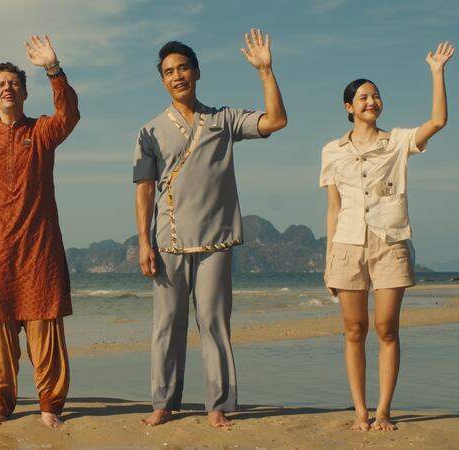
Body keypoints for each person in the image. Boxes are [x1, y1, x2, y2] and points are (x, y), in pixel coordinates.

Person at [133, 30, 287, 428]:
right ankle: (163, 402)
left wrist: (266, 71)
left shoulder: (224, 119)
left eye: (183, 67)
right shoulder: (149, 130)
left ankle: (217, 404)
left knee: (215, 324)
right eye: (169, 71)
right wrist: (144, 242)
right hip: (168, 240)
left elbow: (276, 120)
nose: (177, 75)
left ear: (197, 72)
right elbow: (144, 189)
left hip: (217, 239)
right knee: (166, 325)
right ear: (163, 81)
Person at [320, 42, 454, 432]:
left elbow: (439, 122)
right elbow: (333, 207)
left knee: (386, 329)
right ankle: (360, 411)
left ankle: (383, 412)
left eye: (376, 95)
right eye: (363, 96)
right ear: (348, 107)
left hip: (390, 243)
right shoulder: (331, 150)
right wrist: (330, 260)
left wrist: (437, 71)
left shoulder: (396, 141)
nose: (371, 100)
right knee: (354, 331)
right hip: (346, 245)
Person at [0, 35, 80, 428]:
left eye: (13, 83)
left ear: (25, 92)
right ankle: (1, 404)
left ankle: (50, 406)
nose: (7, 88)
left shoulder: (42, 131)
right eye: (0, 85)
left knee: (45, 327)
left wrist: (53, 70)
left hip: (38, 249)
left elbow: (69, 116)